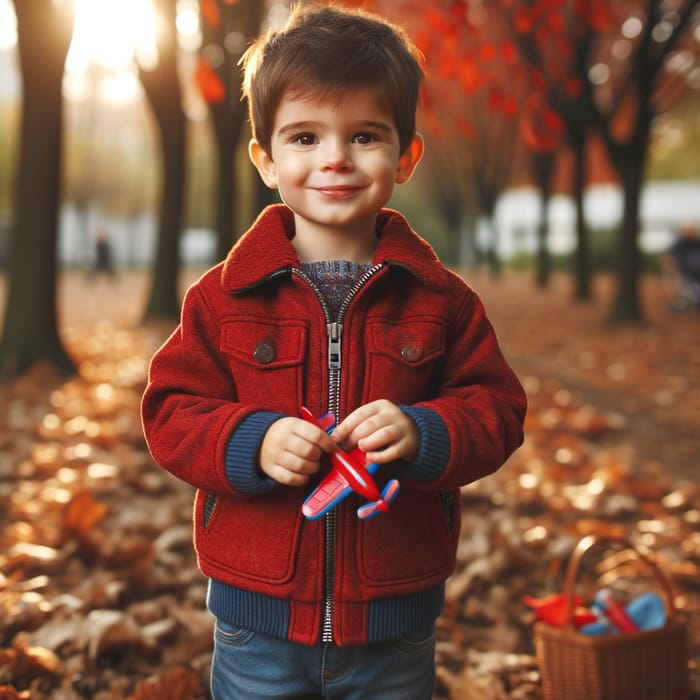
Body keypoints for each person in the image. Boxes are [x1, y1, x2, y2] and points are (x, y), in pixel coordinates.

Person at [141, 5, 527, 699]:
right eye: (305, 136)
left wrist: (425, 433)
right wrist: (248, 442)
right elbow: (171, 411)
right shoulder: (223, 296)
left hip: (393, 618)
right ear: (266, 160)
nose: (335, 158)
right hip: (256, 619)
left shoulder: (441, 299)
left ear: (406, 156)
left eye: (366, 135)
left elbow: (496, 410)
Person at [661, 222, 700, 311]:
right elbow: (669, 257)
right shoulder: (679, 243)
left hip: (694, 272)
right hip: (686, 271)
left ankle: (692, 302)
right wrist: (669, 269)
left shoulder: (696, 242)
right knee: (689, 287)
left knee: (693, 287)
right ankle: (691, 302)